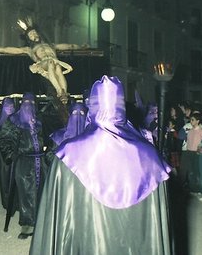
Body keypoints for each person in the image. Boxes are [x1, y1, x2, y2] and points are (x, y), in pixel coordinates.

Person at [29, 76, 172, 254]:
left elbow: (57, 221)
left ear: (93, 106)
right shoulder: (150, 155)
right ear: (122, 106)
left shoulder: (68, 154)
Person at [0, 17, 86, 104]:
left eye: (34, 33)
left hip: (54, 62)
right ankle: (59, 91)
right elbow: (6, 49)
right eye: (31, 35)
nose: (33, 35)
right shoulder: (29, 49)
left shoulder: (51, 45)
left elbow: (69, 46)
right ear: (29, 39)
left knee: (57, 67)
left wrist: (82, 47)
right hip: (43, 64)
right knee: (52, 63)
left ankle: (64, 92)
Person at [0, 92, 46, 239]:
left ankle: (42, 221)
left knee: (42, 192)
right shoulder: (13, 120)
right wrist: (11, 154)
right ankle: (27, 224)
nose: (28, 106)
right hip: (24, 162)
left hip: (41, 161)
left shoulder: (39, 120)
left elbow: (47, 136)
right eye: (25, 102)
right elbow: (4, 138)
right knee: (26, 194)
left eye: (31, 103)